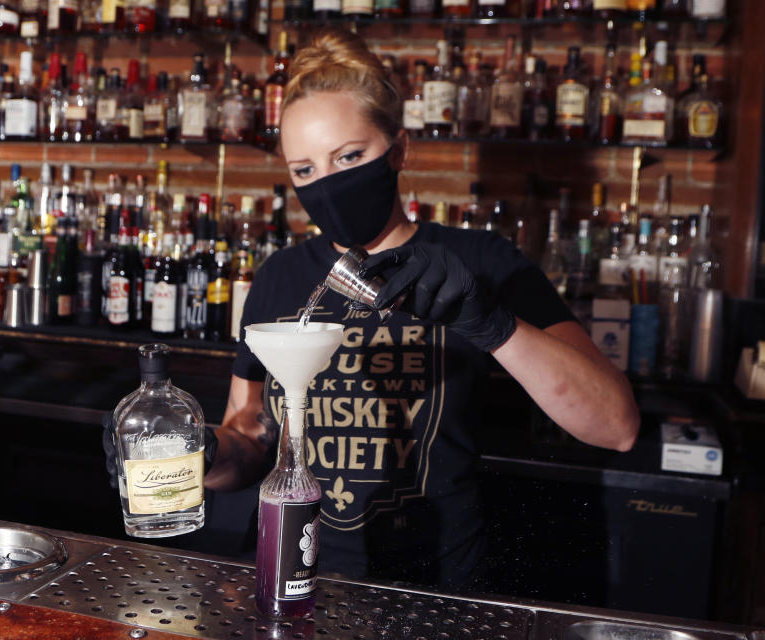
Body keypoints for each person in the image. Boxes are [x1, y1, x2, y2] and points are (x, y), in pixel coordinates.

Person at [203, 28, 640, 592]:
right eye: (305, 171)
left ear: (400, 150)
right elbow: (253, 434)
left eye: (350, 156)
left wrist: (493, 323)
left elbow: (616, 425)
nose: (328, 186)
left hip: (442, 586)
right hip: (298, 575)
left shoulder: (482, 260)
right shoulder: (279, 276)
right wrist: (200, 450)